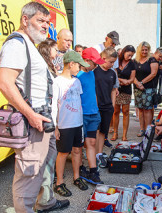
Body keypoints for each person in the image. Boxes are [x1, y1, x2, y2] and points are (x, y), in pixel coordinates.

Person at [0, 2, 69, 212]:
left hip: (43, 120)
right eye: (40, 21)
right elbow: (4, 82)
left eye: (47, 22)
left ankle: (45, 201)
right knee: (29, 172)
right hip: (33, 122)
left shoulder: (30, 44)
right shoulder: (16, 44)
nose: (46, 26)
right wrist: (31, 115)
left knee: (44, 164)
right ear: (25, 20)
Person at [53, 51, 90, 197]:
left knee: (77, 150)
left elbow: (78, 100)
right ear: (71, 64)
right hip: (64, 124)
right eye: (79, 66)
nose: (80, 69)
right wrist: (55, 126)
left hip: (77, 123)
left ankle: (76, 177)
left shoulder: (77, 81)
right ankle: (59, 183)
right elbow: (53, 105)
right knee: (63, 153)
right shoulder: (57, 82)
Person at [76, 47, 105, 184]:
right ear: (86, 61)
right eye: (95, 63)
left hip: (94, 114)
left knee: (92, 142)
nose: (97, 65)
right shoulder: (77, 76)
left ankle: (93, 171)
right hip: (82, 115)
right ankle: (81, 167)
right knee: (80, 145)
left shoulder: (92, 74)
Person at [94, 47, 119, 168]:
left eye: (114, 62)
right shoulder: (94, 71)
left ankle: (99, 154)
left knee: (103, 132)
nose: (112, 64)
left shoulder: (112, 73)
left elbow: (114, 90)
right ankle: (92, 155)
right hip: (95, 107)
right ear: (103, 59)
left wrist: (112, 105)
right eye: (111, 62)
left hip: (107, 107)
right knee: (95, 131)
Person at [133, 41, 159, 137]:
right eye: (142, 49)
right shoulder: (135, 60)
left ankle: (148, 130)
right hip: (137, 88)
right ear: (139, 50)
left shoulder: (152, 60)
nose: (144, 51)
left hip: (148, 88)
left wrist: (142, 82)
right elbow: (132, 74)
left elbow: (153, 74)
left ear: (148, 50)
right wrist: (137, 83)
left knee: (147, 109)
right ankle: (141, 129)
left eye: (146, 50)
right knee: (140, 109)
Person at [111, 45, 136, 141]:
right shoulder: (117, 61)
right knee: (116, 111)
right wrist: (121, 80)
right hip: (116, 89)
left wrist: (127, 81)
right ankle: (115, 133)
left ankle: (124, 135)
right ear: (124, 52)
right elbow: (113, 74)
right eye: (129, 55)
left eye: (132, 56)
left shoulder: (132, 64)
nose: (130, 57)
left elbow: (132, 79)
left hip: (126, 90)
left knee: (126, 112)